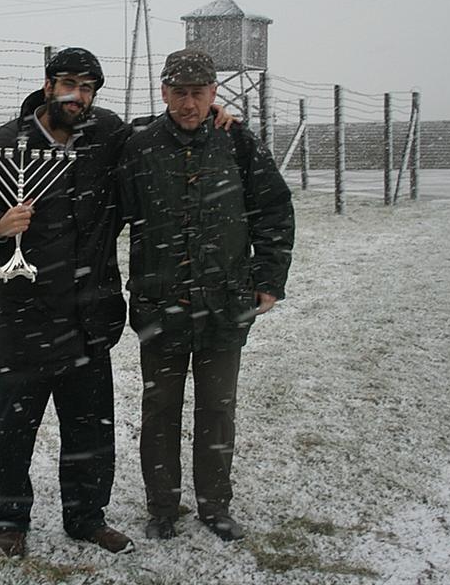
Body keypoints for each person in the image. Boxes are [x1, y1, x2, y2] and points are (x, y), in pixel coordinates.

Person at [0, 47, 135, 558]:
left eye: (88, 87)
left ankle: (86, 516)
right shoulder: (5, 147)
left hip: (91, 308)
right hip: (24, 312)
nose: (77, 95)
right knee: (15, 423)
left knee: (91, 424)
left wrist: (209, 111)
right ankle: (9, 519)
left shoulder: (107, 136)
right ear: (48, 84)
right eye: (68, 83)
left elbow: (155, 135)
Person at [117, 48, 295, 543]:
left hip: (225, 304)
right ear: (163, 92)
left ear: (215, 93)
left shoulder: (237, 143)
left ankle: (215, 505)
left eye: (198, 93)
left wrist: (268, 279)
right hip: (160, 305)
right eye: (179, 92)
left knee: (217, 409)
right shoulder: (139, 147)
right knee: (160, 411)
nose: (188, 103)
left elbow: (274, 210)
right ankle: (162, 508)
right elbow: (110, 213)